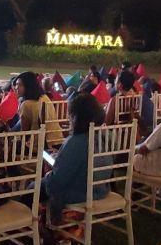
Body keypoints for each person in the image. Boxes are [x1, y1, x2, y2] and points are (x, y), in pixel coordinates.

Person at [42, 93, 111, 222]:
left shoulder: (76, 141)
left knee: (34, 188)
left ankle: (32, 231)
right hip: (101, 189)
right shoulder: (104, 136)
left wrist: (48, 174)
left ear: (75, 117)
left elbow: (57, 181)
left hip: (81, 192)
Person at [14, 71, 63, 144]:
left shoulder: (26, 104)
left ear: (28, 86)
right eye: (16, 84)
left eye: (20, 85)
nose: (16, 87)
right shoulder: (44, 97)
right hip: (57, 140)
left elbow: (24, 133)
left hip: (40, 145)